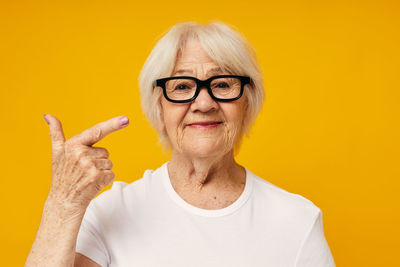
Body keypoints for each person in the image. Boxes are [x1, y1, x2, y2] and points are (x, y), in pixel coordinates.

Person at [25, 22, 336, 267]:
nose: (204, 102)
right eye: (183, 85)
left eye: (222, 84)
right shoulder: (111, 212)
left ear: (247, 102)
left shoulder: (297, 220)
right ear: (159, 106)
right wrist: (63, 203)